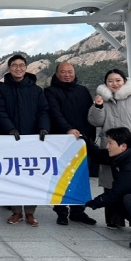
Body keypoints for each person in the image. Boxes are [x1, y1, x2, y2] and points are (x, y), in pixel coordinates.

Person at [88, 68, 131, 229]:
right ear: (105, 83)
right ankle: (114, 219)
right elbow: (95, 122)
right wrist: (98, 107)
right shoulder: (102, 100)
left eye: (118, 80)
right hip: (110, 148)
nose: (114, 84)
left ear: (124, 81)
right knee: (111, 183)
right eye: (110, 81)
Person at [0, 54, 50, 227]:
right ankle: (16, 211)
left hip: (32, 139)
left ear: (26, 68)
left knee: (32, 175)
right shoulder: (1, 90)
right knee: (13, 176)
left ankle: (30, 213)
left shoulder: (36, 90)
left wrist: (43, 127)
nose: (18, 68)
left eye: (21, 65)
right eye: (14, 65)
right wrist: (9, 128)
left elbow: (44, 111)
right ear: (9, 68)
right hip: (10, 139)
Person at [83, 127, 131, 251]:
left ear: (123, 146)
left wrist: (90, 203)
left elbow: (115, 193)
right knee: (116, 201)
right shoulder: (124, 155)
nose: (107, 146)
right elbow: (99, 156)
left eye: (110, 143)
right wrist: (86, 140)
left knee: (129, 199)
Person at [44, 62, 97, 226]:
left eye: (70, 71)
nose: (67, 75)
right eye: (63, 72)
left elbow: (91, 114)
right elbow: (55, 113)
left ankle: (78, 211)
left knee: (80, 177)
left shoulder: (83, 90)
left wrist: (90, 136)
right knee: (61, 177)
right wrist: (67, 128)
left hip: (82, 141)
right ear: (56, 74)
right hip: (60, 140)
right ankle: (61, 212)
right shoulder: (50, 91)